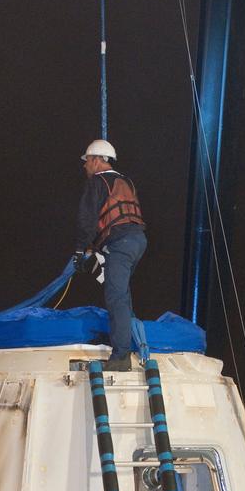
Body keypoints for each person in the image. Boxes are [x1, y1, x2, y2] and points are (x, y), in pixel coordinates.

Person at [73, 138, 146, 371]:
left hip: (121, 245)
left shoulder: (97, 181)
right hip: (136, 242)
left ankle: (121, 357)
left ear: (96, 160)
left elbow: (87, 218)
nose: (85, 166)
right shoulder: (126, 181)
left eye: (87, 161)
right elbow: (118, 218)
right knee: (119, 291)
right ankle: (130, 345)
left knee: (116, 298)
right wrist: (94, 250)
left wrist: (80, 250)